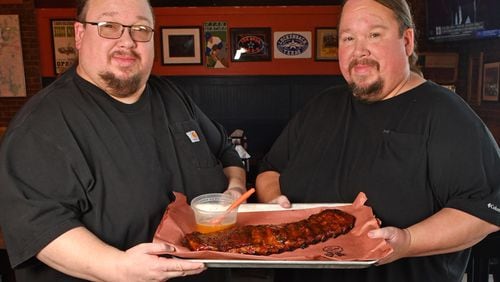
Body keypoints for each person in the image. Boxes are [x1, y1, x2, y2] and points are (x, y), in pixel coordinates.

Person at [0, 0, 246, 281]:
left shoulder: (173, 97)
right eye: (109, 27)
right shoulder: (41, 125)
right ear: (80, 35)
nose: (127, 41)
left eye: (141, 29)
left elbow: (226, 150)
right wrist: (116, 267)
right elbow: (38, 228)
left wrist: (235, 189)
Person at [256, 0, 500, 281]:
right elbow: (270, 170)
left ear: (406, 41)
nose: (359, 51)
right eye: (348, 38)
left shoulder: (445, 114)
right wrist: (276, 201)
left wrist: (408, 241)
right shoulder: (321, 106)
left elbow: (483, 211)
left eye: (374, 34)